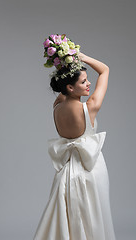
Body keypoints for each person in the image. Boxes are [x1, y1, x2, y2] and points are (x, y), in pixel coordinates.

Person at [33, 52, 116, 239]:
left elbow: (63, 86)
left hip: (65, 170)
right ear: (70, 87)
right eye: (83, 81)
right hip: (91, 168)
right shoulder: (91, 106)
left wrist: (64, 63)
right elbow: (105, 70)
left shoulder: (57, 106)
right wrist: (82, 57)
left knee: (67, 216)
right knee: (94, 216)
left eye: (87, 80)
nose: (89, 84)